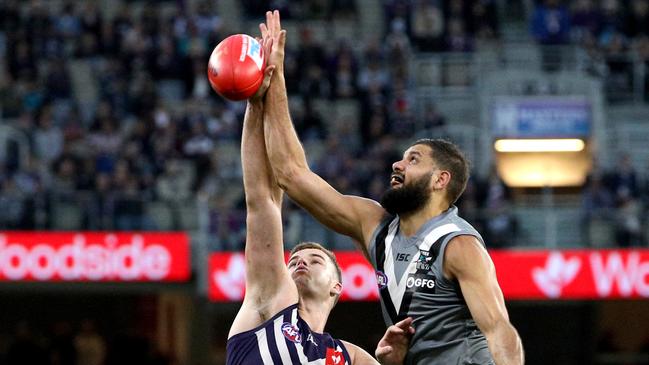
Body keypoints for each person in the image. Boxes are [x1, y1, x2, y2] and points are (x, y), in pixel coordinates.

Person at [260, 10, 524, 365]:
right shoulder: (375, 227)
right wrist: (274, 77)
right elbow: (291, 174)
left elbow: (499, 330)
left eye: (414, 160)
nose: (398, 164)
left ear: (440, 180)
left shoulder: (458, 246)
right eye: (402, 158)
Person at [226, 19, 413, 365]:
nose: (299, 261)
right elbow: (262, 201)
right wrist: (256, 100)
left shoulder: (347, 355)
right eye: (295, 259)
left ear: (336, 287)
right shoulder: (271, 302)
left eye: (315, 260)